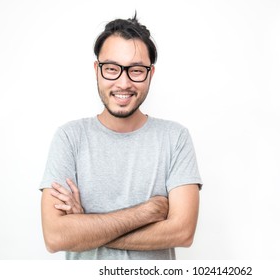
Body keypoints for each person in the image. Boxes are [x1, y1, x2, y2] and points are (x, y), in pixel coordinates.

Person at [39, 14, 202, 260]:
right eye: (112, 69)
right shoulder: (70, 138)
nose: (123, 83)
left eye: (136, 70)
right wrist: (146, 213)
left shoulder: (175, 138)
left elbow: (182, 232)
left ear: (150, 73)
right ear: (97, 70)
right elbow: (55, 237)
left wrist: (85, 226)